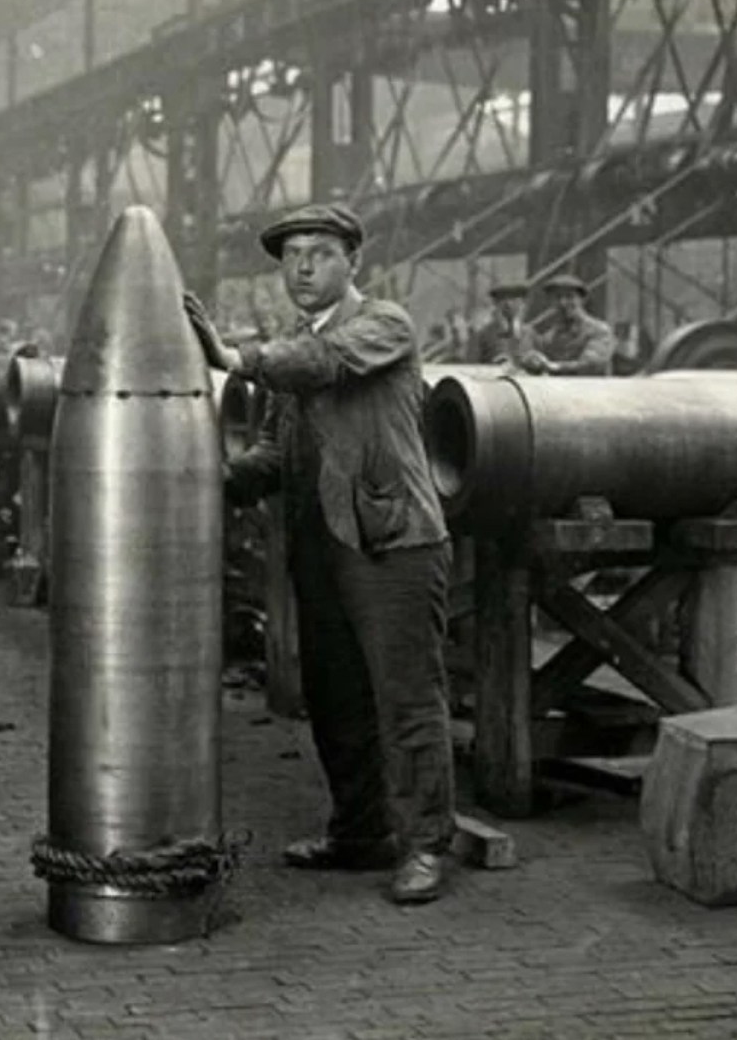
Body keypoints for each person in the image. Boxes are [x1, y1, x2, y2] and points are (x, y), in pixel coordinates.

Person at [184, 202, 456, 905]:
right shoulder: (294, 351)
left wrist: (234, 358)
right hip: (321, 549)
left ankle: (425, 846)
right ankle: (361, 833)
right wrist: (205, 480)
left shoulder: (383, 326)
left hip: (392, 544)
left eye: (319, 253)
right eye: (291, 256)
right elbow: (277, 451)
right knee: (336, 703)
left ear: (352, 262)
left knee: (407, 703)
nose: (302, 267)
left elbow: (326, 363)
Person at [519, 273, 615, 376]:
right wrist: (532, 361)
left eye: (570, 297)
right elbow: (540, 364)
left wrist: (554, 366)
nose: (563, 303)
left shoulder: (599, 330)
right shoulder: (550, 337)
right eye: (557, 297)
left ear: (582, 300)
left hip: (593, 390)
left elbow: (591, 365)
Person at [468, 282, 534, 367]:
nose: (509, 305)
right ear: (496, 304)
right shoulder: (483, 335)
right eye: (503, 300)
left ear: (522, 303)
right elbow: (471, 367)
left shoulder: (530, 333)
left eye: (514, 300)